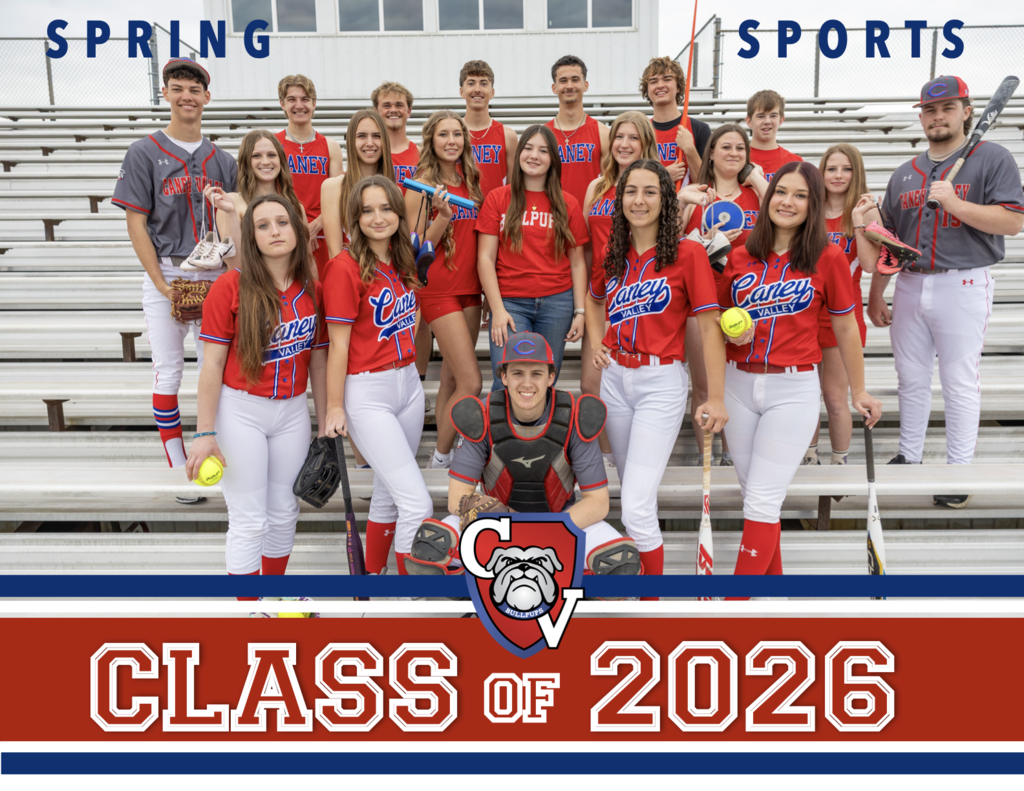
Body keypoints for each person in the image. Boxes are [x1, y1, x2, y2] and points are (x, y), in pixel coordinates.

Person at [718, 161, 882, 582]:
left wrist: (859, 390)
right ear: (768, 197)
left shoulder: (826, 257)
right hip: (737, 383)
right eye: (781, 192)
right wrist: (728, 336)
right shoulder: (738, 255)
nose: (787, 202)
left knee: (761, 500)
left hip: (792, 388)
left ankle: (736, 602)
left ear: (813, 205)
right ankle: (773, 599)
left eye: (800, 195)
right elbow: (716, 318)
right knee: (757, 499)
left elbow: (845, 326)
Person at [866, 76, 1024, 507]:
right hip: (912, 283)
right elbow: (890, 243)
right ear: (921, 116)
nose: (938, 117)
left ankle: (959, 470)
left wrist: (955, 204)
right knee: (911, 378)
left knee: (958, 379)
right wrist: (878, 292)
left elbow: (1013, 221)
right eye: (930, 110)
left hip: (965, 280)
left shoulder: (991, 158)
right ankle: (910, 456)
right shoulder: (905, 174)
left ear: (967, 111)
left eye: (947, 108)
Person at [586, 158, 727, 582]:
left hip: (660, 381)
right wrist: (597, 340)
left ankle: (650, 606)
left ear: (666, 199)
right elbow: (594, 300)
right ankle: (639, 596)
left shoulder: (688, 253)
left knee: (635, 504)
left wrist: (715, 396)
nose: (640, 200)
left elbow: (708, 326)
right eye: (631, 191)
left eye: (651, 191)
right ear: (620, 198)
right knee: (635, 499)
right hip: (615, 380)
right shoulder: (613, 251)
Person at [403, 332, 642, 582]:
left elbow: (598, 502)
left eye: (536, 373)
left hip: (560, 523)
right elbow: (457, 499)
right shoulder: (482, 415)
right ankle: (474, 596)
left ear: (551, 376)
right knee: (430, 546)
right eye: (517, 373)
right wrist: (503, 524)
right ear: (504, 376)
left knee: (621, 563)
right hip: (495, 527)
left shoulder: (575, 415)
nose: (526, 383)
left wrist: (542, 533)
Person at [185, 194, 328, 594]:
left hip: (293, 413)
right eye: (263, 225)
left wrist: (325, 420)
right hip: (241, 411)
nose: (275, 231)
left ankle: (272, 595)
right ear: (252, 236)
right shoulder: (230, 287)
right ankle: (247, 610)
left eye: (282, 222)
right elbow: (211, 365)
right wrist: (203, 433)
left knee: (284, 513)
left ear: (297, 230)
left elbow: (318, 362)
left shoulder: (313, 289)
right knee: (249, 518)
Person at [112, 58, 237, 493]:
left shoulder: (222, 159)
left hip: (216, 271)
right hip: (168, 267)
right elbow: (135, 223)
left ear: (207, 97)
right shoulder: (143, 151)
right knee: (168, 370)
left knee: (214, 367)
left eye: (194, 88)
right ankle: (175, 462)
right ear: (165, 93)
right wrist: (163, 284)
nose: (187, 95)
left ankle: (213, 449)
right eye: (178, 87)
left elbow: (234, 225)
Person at [322, 175, 432, 575]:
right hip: (368, 389)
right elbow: (338, 345)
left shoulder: (402, 260)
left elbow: (412, 317)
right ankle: (406, 594)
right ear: (354, 217)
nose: (378, 217)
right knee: (416, 504)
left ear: (399, 214)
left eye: (386, 208)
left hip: (407, 384)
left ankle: (375, 579)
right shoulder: (343, 268)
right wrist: (335, 406)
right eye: (367, 210)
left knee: (388, 495)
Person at [681, 124, 769, 466]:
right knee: (704, 388)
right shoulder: (695, 194)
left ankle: (733, 457)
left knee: (737, 389)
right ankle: (706, 457)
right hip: (701, 302)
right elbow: (669, 244)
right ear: (711, 153)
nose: (733, 153)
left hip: (746, 303)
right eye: (726, 147)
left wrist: (757, 179)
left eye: (740, 149)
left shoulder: (756, 195)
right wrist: (708, 242)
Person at [477, 124, 589, 389]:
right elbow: (485, 259)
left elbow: (577, 262)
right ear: (518, 155)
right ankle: (503, 431)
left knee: (545, 378)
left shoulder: (567, 203)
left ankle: (540, 432)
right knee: (506, 378)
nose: (534, 155)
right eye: (527, 148)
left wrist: (580, 312)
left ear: (553, 160)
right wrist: (497, 309)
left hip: (557, 303)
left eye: (543, 150)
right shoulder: (497, 198)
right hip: (511, 302)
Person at [405, 110, 485, 472]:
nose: (452, 140)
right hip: (439, 290)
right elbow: (415, 248)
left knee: (453, 378)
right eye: (443, 135)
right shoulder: (422, 184)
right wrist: (442, 215)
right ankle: (440, 459)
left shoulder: (471, 179)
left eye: (457, 134)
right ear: (431, 141)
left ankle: (447, 452)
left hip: (471, 289)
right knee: (472, 381)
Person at [581, 111, 659, 463]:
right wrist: (581, 305)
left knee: (627, 380)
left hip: (637, 293)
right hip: (600, 294)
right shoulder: (596, 186)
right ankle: (610, 458)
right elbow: (584, 247)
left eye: (633, 138)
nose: (624, 144)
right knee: (591, 382)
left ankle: (631, 459)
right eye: (619, 137)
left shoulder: (657, 186)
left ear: (646, 144)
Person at [803, 144, 881, 466]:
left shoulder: (869, 211)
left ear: (856, 173)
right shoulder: (809, 208)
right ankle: (807, 458)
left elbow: (870, 263)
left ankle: (839, 463)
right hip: (806, 313)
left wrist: (857, 220)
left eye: (846, 169)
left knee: (835, 399)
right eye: (831, 168)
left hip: (842, 316)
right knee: (806, 398)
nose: (838, 175)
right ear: (821, 173)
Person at [276, 74, 344, 279]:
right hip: (286, 231)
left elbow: (339, 194)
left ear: (314, 104)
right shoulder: (273, 144)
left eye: (305, 99)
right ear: (282, 104)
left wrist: (317, 225)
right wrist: (300, 227)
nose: (299, 105)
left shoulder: (330, 146)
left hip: (323, 233)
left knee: (327, 293)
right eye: (292, 99)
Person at [204, 130, 305, 269]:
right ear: (246, 161)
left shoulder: (295, 206)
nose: (265, 162)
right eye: (256, 156)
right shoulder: (231, 202)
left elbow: (306, 260)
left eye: (271, 155)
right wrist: (231, 212)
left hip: (289, 289)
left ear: (281, 160)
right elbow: (234, 263)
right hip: (247, 288)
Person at [321, 109, 394, 258]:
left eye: (376, 136)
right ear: (351, 141)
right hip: (351, 277)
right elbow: (335, 253)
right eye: (361, 136)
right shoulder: (333, 188)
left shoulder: (394, 190)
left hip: (388, 277)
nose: (369, 143)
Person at [545, 55, 610, 209]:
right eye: (563, 80)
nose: (569, 85)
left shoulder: (603, 134)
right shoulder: (543, 135)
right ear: (554, 87)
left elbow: (609, 184)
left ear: (585, 85)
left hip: (588, 220)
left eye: (575, 79)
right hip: (553, 219)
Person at [639, 55, 712, 191]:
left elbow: (704, 184)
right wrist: (662, 176)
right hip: (649, 208)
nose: (660, 85)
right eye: (653, 81)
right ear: (647, 90)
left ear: (678, 87)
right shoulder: (640, 130)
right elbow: (630, 181)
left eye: (667, 79)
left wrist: (690, 149)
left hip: (686, 208)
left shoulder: (699, 129)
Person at [460, 60, 519, 201]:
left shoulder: (507, 136)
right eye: (471, 83)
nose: (477, 89)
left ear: (492, 93)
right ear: (461, 92)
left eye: (484, 83)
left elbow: (513, 187)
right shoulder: (451, 133)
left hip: (495, 215)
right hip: (459, 215)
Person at [745, 90, 803, 182]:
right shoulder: (739, 159)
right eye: (760, 116)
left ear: (781, 120)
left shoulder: (794, 162)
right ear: (749, 121)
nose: (767, 121)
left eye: (773, 116)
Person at [372, 81, 419, 187]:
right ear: (376, 112)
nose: (393, 110)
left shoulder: (422, 154)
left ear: (409, 112)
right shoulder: (368, 153)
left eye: (399, 105)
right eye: (387, 106)